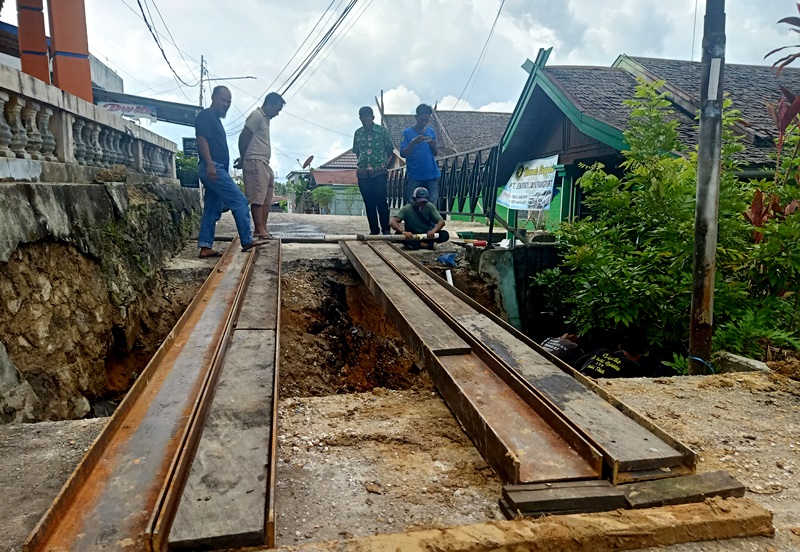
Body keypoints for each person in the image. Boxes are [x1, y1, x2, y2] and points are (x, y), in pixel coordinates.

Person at [195, 86, 268, 257]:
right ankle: (247, 240)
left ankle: (205, 247)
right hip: (213, 168)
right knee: (239, 201)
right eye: (223, 100)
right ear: (213, 97)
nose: (226, 104)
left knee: (212, 209)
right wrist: (210, 164)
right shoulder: (205, 116)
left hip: (216, 168)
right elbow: (201, 139)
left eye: (229, 102)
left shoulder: (215, 119)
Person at [235, 92, 285, 239]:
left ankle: (262, 228)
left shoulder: (265, 119)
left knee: (266, 198)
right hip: (255, 161)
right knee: (257, 196)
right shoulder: (256, 116)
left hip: (263, 162)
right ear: (269, 104)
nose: (277, 113)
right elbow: (244, 136)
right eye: (277, 109)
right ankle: (258, 229)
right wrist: (244, 158)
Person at [352, 106, 395, 235]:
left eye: (368, 120)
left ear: (373, 118)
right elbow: (357, 151)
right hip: (363, 173)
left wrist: (381, 164)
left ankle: (386, 229)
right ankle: (374, 230)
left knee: (381, 200)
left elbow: (390, 150)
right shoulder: (358, 133)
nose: (366, 123)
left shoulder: (382, 132)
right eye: (363, 121)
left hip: (379, 172)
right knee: (369, 202)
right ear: (360, 119)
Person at [399, 103, 441, 205]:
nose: (424, 122)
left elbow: (435, 153)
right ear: (416, 117)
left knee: (432, 204)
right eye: (422, 119)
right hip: (415, 176)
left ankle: (430, 221)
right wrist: (413, 143)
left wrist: (433, 146)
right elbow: (403, 153)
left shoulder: (431, 131)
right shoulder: (407, 133)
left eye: (427, 120)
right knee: (413, 204)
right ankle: (414, 221)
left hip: (432, 174)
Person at [576, 331, 648, 379]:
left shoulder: (601, 351)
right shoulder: (633, 367)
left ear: (619, 346)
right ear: (639, 355)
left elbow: (577, 363)